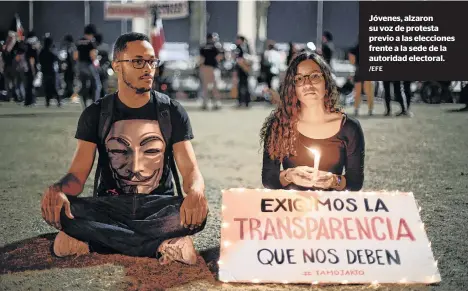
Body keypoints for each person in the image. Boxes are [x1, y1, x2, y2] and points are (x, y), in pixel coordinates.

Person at [40, 32, 209, 265]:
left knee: (195, 213)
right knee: (65, 210)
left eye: (152, 61)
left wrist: (196, 192)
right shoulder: (96, 114)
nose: (148, 68)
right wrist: (58, 189)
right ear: (117, 66)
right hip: (110, 205)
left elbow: (190, 171)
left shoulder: (171, 111)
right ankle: (161, 244)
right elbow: (77, 176)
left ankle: (94, 241)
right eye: (138, 61)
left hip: (158, 207)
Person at [260, 52, 365, 191]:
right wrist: (289, 175)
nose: (307, 84)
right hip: (292, 208)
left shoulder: (349, 128)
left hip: (332, 209)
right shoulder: (279, 124)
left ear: (326, 81)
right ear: (293, 88)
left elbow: (355, 182)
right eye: (299, 79)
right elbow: (268, 179)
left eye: (315, 76)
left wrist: (334, 180)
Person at [75, 24, 101, 109]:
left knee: (83, 86)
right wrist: (97, 65)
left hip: (79, 66)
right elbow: (93, 56)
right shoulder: (91, 42)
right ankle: (95, 104)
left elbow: (75, 56)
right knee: (96, 85)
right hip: (89, 66)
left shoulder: (78, 42)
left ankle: (84, 105)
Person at [199, 32, 223, 110]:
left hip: (205, 68)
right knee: (215, 87)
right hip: (214, 68)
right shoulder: (216, 46)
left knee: (205, 87)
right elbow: (219, 57)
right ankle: (217, 103)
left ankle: (205, 103)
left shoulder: (203, 47)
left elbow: (201, 59)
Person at [348, 44, 374, 116]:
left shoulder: (354, 49)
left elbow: (352, 61)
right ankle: (370, 109)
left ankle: (357, 109)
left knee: (358, 92)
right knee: (368, 91)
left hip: (358, 71)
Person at [39, 34, 61, 107]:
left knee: (47, 87)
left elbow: (40, 60)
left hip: (45, 71)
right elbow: (56, 59)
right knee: (54, 87)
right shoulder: (51, 51)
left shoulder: (42, 52)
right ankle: (58, 101)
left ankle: (47, 102)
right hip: (52, 72)